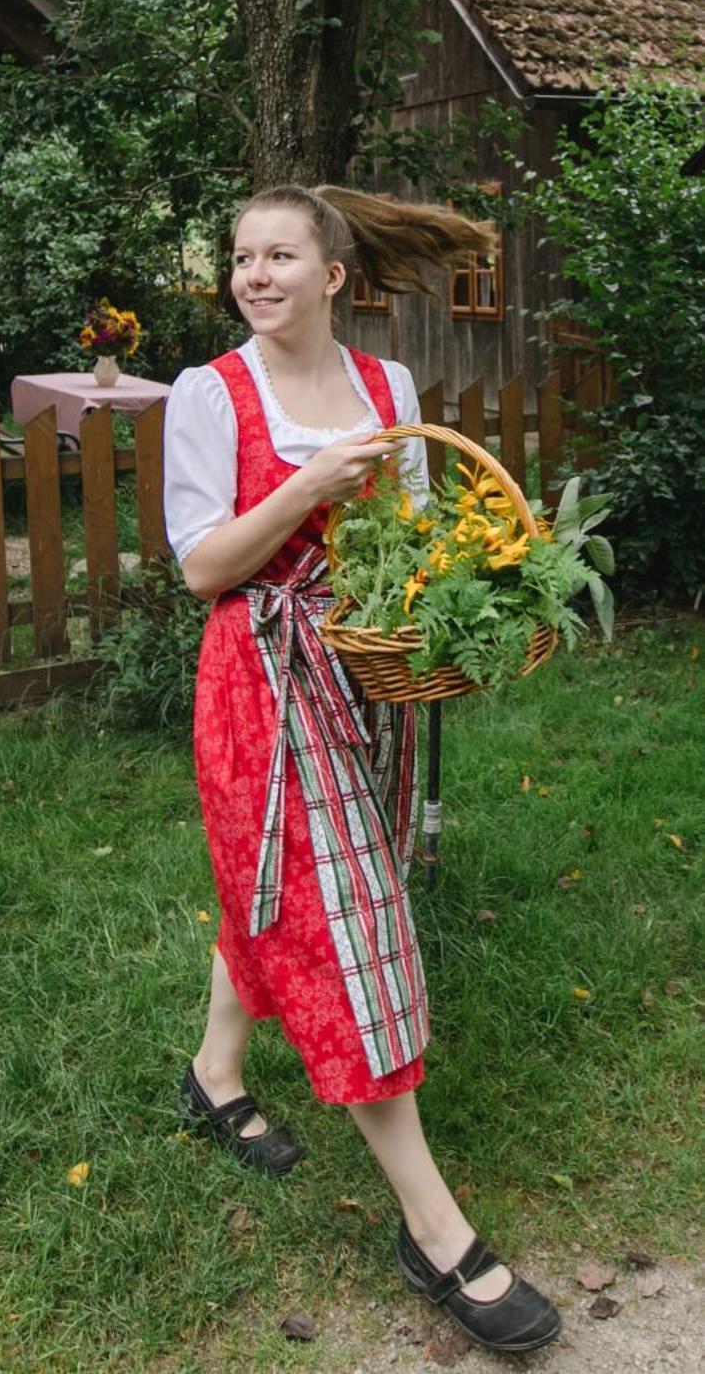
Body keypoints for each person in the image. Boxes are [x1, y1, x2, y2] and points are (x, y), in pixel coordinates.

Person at [162, 183, 561, 1356]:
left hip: (364, 677)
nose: (253, 274)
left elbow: (423, 542)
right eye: (240, 257)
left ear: (332, 273)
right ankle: (434, 1230)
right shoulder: (208, 394)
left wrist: (462, 612)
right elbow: (201, 570)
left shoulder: (388, 389)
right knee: (348, 926)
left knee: (297, 890)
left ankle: (213, 1073)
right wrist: (303, 485)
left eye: (277, 254)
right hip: (260, 684)